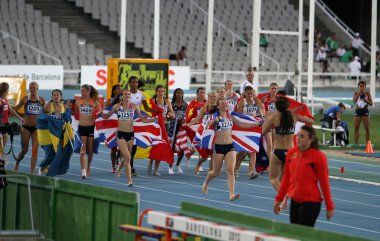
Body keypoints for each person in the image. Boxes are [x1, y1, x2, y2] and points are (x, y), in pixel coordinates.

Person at [273, 126, 334, 227]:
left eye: (302, 136)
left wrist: (329, 206)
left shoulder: (319, 157)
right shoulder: (291, 153)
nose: (298, 138)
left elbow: (324, 183)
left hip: (311, 202)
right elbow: (286, 179)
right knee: (295, 234)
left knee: (302, 232)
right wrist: (278, 200)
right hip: (295, 200)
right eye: (298, 135)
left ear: (311, 139)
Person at [202, 98, 261, 201]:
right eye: (222, 104)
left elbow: (242, 124)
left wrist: (256, 124)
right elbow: (210, 123)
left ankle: (231, 194)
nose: (225, 105)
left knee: (231, 171)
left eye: (226, 103)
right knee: (215, 172)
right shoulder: (217, 118)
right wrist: (207, 125)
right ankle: (206, 183)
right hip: (219, 147)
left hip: (230, 146)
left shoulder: (231, 117)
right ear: (219, 106)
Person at [262, 97, 314, 207]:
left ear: (277, 107)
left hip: (278, 151)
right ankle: (284, 201)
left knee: (273, 179)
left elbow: (263, 131)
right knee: (284, 179)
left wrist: (268, 121)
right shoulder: (294, 116)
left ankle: (283, 195)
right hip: (291, 152)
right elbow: (311, 121)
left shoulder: (274, 117)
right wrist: (305, 109)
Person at [102, 89, 157, 187]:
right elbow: (106, 116)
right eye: (125, 94)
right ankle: (129, 181)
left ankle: (119, 169)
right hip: (120, 134)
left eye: (128, 94)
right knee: (128, 157)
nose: (127, 96)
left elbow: (143, 119)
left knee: (126, 157)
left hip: (131, 134)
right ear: (122, 96)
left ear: (130, 96)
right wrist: (99, 113)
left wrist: (153, 119)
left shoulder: (135, 107)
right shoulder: (117, 106)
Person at [13, 82, 46, 174]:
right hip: (26, 127)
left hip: (36, 128)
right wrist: (8, 110)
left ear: (37, 89)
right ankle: (17, 162)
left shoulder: (41, 100)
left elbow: (46, 112)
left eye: (33, 88)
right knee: (24, 150)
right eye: (30, 88)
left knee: (35, 150)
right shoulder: (25, 99)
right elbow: (15, 109)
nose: (32, 90)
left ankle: (32, 172)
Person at [128, 76, 157, 176]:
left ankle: (131, 166)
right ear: (129, 83)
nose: (134, 84)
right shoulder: (126, 93)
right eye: (132, 82)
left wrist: (157, 111)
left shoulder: (141, 95)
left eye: (135, 82)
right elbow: (119, 105)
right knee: (128, 143)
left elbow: (146, 108)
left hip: (137, 120)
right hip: (126, 120)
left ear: (137, 83)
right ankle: (123, 159)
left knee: (134, 144)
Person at [39, 89, 72, 175]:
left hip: (60, 134)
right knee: (50, 152)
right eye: (54, 95)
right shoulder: (48, 106)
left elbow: (67, 119)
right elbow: (42, 118)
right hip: (50, 134)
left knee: (59, 152)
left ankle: (54, 168)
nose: (56, 96)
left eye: (58, 95)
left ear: (60, 97)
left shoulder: (64, 107)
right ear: (52, 97)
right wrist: (43, 104)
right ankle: (42, 167)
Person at [235, 86, 264, 179]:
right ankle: (235, 168)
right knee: (242, 151)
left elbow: (262, 112)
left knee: (253, 150)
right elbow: (239, 116)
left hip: (254, 129)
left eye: (251, 93)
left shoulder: (257, 101)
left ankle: (251, 171)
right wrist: (248, 116)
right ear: (245, 94)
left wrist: (260, 116)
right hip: (244, 128)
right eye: (248, 94)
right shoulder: (241, 102)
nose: (250, 95)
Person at [185, 91, 217, 174]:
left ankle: (211, 173)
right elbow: (197, 118)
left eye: (214, 96)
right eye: (211, 96)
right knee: (205, 156)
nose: (212, 98)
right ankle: (198, 165)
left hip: (214, 133)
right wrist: (188, 124)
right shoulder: (204, 108)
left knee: (213, 154)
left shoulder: (218, 108)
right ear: (208, 97)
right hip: (204, 133)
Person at [147, 85, 175, 175]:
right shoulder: (153, 101)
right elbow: (149, 113)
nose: (161, 93)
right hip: (155, 126)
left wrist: (170, 115)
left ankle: (156, 169)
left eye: (162, 91)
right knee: (154, 146)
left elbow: (172, 113)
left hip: (164, 126)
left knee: (161, 146)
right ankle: (151, 161)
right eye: (159, 91)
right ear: (156, 92)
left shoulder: (166, 101)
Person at [76, 84, 102, 179]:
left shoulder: (95, 102)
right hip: (81, 127)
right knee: (83, 149)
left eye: (83, 91)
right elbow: (74, 114)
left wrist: (97, 113)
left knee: (90, 150)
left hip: (91, 128)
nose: (81, 93)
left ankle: (88, 166)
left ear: (88, 91)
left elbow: (101, 112)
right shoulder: (78, 102)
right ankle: (83, 171)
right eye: (81, 91)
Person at [0, 82, 24, 163]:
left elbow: (11, 110)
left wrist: (20, 117)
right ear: (6, 91)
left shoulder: (5, 100)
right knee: (0, 147)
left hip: (5, 127)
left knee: (2, 148)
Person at [169, 88, 188, 173]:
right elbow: (168, 116)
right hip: (173, 127)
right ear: (175, 94)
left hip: (182, 128)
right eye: (177, 93)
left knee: (183, 146)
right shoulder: (171, 104)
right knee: (172, 147)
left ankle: (177, 165)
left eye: (181, 93)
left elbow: (187, 115)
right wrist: (170, 116)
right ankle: (170, 166)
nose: (179, 94)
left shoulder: (185, 104)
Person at [105, 84, 123, 173]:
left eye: (121, 88)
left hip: (122, 126)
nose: (121, 90)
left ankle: (117, 158)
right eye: (119, 89)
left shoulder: (124, 101)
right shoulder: (109, 101)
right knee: (113, 147)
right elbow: (106, 112)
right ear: (114, 91)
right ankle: (113, 166)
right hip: (112, 126)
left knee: (123, 146)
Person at [353, 81, 373, 146]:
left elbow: (371, 103)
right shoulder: (356, 93)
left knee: (367, 127)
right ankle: (356, 143)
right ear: (358, 87)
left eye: (363, 86)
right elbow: (354, 101)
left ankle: (367, 143)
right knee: (356, 127)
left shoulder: (367, 93)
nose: (362, 87)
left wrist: (366, 100)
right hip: (358, 111)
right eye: (360, 86)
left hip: (365, 111)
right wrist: (359, 93)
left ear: (365, 87)